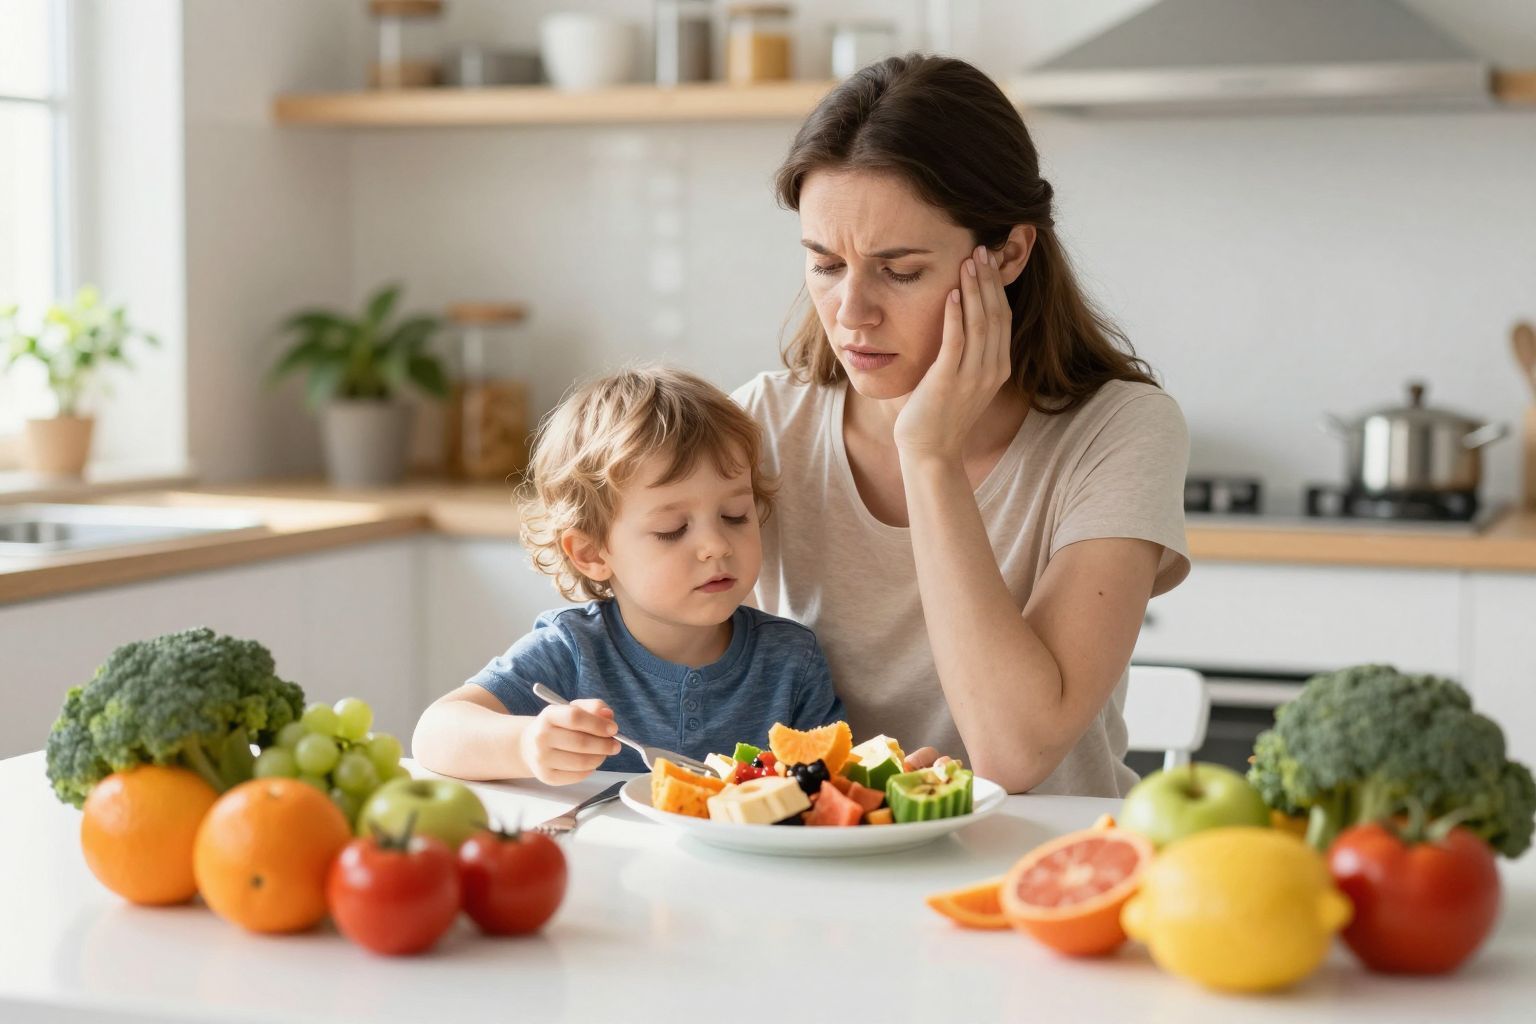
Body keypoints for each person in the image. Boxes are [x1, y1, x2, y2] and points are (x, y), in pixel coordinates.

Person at [733, 55, 1190, 797]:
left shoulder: (1120, 433)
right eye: (824, 264)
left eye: (901, 270)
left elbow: (1015, 754)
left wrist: (929, 455)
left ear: (1008, 253)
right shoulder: (764, 424)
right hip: (815, 879)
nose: (852, 313)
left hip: (1039, 880)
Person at [412, 366, 844, 785]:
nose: (717, 544)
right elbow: (435, 732)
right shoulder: (573, 650)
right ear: (591, 553)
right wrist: (527, 744)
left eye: (735, 515)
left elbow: (836, 785)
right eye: (672, 530)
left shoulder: (791, 660)